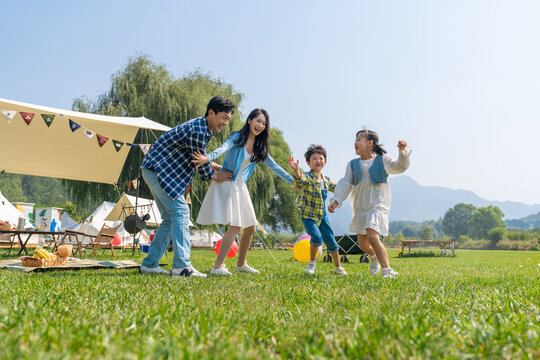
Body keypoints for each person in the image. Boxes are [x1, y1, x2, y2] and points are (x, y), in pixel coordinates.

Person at [139, 96, 235, 278]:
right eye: (223, 117)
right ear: (211, 112)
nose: (225, 123)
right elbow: (201, 164)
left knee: (169, 217)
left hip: (154, 170)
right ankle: (181, 267)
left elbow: (197, 156)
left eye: (228, 119)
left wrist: (213, 165)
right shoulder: (199, 131)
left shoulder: (202, 127)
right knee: (181, 212)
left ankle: (150, 264)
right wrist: (214, 176)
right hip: (159, 171)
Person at [193, 108, 295, 275]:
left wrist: (293, 182)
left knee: (250, 227)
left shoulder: (260, 147)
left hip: (240, 185)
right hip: (228, 181)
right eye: (258, 121)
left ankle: (241, 265)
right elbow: (222, 148)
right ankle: (217, 267)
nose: (260, 125)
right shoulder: (237, 137)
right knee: (234, 226)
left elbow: (275, 167)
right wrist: (208, 158)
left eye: (264, 123)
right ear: (250, 121)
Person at [328, 129, 411, 278]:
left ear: (370, 143)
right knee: (363, 244)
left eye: (359, 139)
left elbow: (400, 166)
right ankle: (373, 256)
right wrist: (336, 200)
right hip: (360, 207)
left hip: (378, 204)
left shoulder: (382, 160)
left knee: (373, 234)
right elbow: (345, 184)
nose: (355, 143)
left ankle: (387, 270)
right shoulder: (353, 164)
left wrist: (402, 151)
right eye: (355, 139)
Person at [287, 145, 347, 275]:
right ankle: (311, 264)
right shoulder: (307, 178)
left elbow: (339, 189)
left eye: (321, 158)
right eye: (314, 158)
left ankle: (338, 267)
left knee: (330, 239)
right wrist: (297, 171)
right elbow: (299, 181)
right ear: (308, 163)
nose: (318, 160)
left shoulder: (326, 180)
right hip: (308, 215)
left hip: (322, 215)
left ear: (325, 162)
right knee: (317, 237)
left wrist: (335, 202)